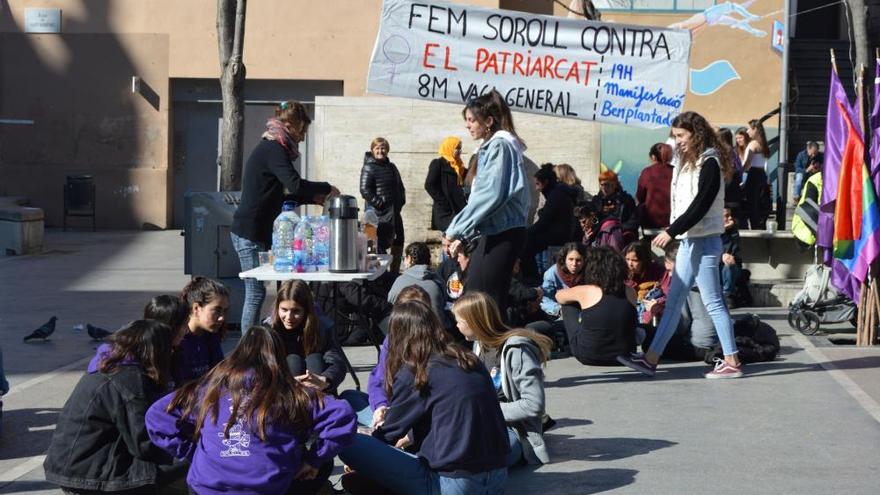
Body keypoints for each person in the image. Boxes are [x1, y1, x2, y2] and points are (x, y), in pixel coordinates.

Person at [146, 326, 357, 495]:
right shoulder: (290, 393)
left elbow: (157, 415)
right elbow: (343, 415)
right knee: (321, 465)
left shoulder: (209, 389)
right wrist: (314, 459)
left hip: (206, 486)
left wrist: (192, 452)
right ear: (278, 358)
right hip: (266, 487)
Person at [617, 111, 743, 379]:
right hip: (689, 241)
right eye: (675, 136)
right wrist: (678, 232)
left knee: (713, 301)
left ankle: (732, 360)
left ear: (695, 134)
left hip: (704, 241)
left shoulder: (709, 162)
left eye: (681, 136)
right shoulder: (687, 161)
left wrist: (672, 231)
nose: (677, 141)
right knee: (674, 300)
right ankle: (651, 359)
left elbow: (702, 203)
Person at [338, 301, 509, 494]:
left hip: (454, 482)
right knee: (356, 402)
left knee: (346, 441)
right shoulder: (467, 358)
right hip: (498, 476)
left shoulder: (415, 370)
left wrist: (368, 452)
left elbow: (388, 435)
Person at [232, 100, 338, 331]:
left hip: (259, 230)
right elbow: (295, 184)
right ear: (289, 125)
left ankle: (268, 341)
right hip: (249, 231)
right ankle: (248, 350)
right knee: (255, 292)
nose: (302, 138)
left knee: (267, 290)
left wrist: (314, 198)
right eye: (302, 131)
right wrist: (327, 188)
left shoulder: (275, 148)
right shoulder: (273, 148)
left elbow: (281, 196)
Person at [44, 320, 182, 494]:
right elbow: (143, 443)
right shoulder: (129, 379)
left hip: (71, 463)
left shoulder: (109, 364)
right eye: (170, 348)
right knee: (191, 461)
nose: (172, 353)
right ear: (156, 351)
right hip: (86, 472)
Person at [443, 90, 530, 318]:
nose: (467, 126)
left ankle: (493, 348)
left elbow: (491, 195)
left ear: (489, 121)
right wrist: (464, 236)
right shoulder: (494, 146)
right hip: (498, 231)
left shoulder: (500, 146)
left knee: (483, 300)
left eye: (472, 120)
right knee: (482, 299)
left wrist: (456, 229)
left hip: (504, 233)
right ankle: (489, 348)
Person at [452, 292, 553, 467]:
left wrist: (488, 409)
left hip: (515, 431)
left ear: (474, 322)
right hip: (486, 423)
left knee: (477, 460)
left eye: (459, 321)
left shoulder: (517, 350)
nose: (456, 326)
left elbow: (534, 405)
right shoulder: (479, 344)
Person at [342, 285, 434, 428]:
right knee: (348, 397)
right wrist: (380, 407)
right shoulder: (392, 339)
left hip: (413, 420)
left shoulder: (434, 349)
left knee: (353, 441)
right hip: (391, 410)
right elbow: (378, 379)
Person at [555, 246, 638, 365]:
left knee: (568, 304)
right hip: (625, 355)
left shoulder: (587, 290)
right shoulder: (630, 291)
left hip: (588, 355)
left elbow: (559, 296)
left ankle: (574, 341)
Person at [87, 295, 190, 382]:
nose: (187, 330)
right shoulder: (132, 366)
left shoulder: (167, 350)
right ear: (170, 328)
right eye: (184, 325)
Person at [271, 280, 347, 394]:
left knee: (314, 358)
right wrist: (285, 382)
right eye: (284, 310)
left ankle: (318, 404)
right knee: (293, 360)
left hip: (317, 383)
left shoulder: (322, 327)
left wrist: (325, 380)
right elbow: (259, 366)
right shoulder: (269, 329)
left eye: (296, 311)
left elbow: (336, 361)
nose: (289, 317)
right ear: (277, 308)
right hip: (282, 389)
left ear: (306, 310)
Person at [520, 163, 577, 284]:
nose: (536, 188)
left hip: (558, 235)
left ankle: (532, 279)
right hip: (560, 232)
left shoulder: (556, 195)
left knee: (525, 245)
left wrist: (526, 232)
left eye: (538, 184)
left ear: (545, 182)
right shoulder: (557, 193)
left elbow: (544, 222)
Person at [360, 137, 407, 272]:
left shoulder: (392, 167)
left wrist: (400, 202)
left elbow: (400, 187)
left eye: (383, 148)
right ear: (372, 150)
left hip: (394, 212)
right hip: (376, 214)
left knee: (398, 241)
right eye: (377, 148)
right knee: (375, 246)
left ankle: (394, 272)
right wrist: (379, 203)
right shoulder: (368, 167)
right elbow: (364, 190)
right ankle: (379, 274)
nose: (381, 151)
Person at [177, 277, 229, 383]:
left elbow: (219, 373)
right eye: (217, 310)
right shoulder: (178, 340)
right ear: (196, 308)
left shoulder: (211, 336)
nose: (222, 317)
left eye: (225, 311)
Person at [387, 242, 447, 324]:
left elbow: (390, 304)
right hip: (435, 332)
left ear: (409, 258)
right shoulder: (439, 280)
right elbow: (443, 303)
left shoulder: (399, 281)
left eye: (404, 258)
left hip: (405, 332)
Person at [425, 136, 468, 232]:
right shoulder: (438, 163)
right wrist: (444, 203)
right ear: (450, 147)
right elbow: (429, 185)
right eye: (457, 148)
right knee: (449, 237)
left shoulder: (459, 166)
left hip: (459, 209)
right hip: (446, 211)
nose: (459, 151)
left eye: (460, 148)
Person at [623, 242, 665, 324]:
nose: (630, 264)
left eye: (634, 260)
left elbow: (666, 291)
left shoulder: (656, 271)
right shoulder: (624, 273)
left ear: (643, 260)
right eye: (627, 259)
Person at [592, 170, 639, 242]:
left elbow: (634, 221)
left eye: (607, 184)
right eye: (602, 185)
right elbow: (592, 222)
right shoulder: (596, 201)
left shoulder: (626, 200)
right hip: (600, 238)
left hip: (622, 237)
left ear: (614, 184)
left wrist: (617, 229)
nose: (604, 188)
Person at [741, 119, 771, 229]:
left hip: (753, 174)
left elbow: (747, 163)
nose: (747, 131)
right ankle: (759, 225)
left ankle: (754, 227)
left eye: (749, 128)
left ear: (755, 129)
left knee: (752, 203)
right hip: (761, 174)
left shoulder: (753, 144)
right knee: (759, 202)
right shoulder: (763, 143)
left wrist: (740, 173)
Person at [636, 142, 674, 229]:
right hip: (673, 221)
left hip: (651, 222)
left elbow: (640, 197)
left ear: (653, 157)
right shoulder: (675, 171)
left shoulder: (647, 172)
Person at [720, 207, 743, 308]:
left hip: (731, 267)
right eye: (726, 216)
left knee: (729, 266)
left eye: (731, 216)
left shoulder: (734, 232)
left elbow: (735, 251)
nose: (730, 219)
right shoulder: (712, 234)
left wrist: (729, 256)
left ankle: (727, 296)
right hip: (715, 267)